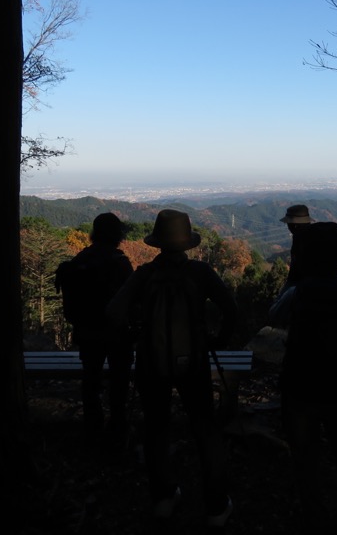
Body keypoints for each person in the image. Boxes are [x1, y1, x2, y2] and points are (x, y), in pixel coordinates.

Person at [106, 209, 237, 528]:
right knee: (205, 429)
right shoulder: (201, 272)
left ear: (158, 242)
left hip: (152, 362)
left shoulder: (144, 274)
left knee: (156, 429)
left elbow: (113, 313)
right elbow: (232, 311)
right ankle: (217, 507)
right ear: (187, 242)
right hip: (193, 361)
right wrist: (216, 340)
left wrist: (133, 336)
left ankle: (163, 499)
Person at [269, 221, 337, 535]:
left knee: (305, 460)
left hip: (300, 388)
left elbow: (273, 318)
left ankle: (314, 519)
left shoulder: (296, 294)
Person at [55, 212, 134, 445]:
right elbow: (132, 298)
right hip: (118, 333)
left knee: (91, 380)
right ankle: (118, 428)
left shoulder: (81, 259)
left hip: (88, 331)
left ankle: (93, 428)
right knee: (119, 382)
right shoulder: (119, 262)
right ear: (118, 235)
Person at [279, 204, 315, 291]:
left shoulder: (299, 239)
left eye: (288, 224)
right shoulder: (318, 235)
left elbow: (294, 276)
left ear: (294, 225)